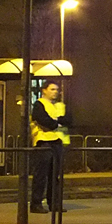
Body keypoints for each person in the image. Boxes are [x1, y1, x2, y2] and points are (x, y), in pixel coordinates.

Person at [30, 80, 72, 214]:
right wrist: (57, 123)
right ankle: (36, 204)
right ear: (44, 90)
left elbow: (69, 120)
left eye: (57, 90)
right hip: (43, 141)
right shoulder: (39, 104)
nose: (56, 92)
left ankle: (54, 204)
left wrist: (56, 122)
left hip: (56, 141)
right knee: (41, 175)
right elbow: (43, 120)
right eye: (52, 89)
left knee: (55, 176)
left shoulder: (56, 106)